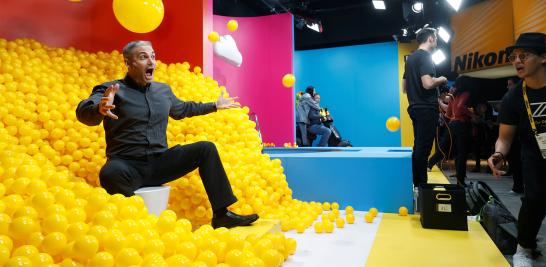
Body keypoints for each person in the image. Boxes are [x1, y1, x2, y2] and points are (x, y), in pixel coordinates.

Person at [76, 40, 258, 229]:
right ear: (128, 63)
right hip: (127, 166)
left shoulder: (163, 91)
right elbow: (84, 112)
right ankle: (138, 225)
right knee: (109, 173)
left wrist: (213, 106)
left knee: (206, 149)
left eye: (153, 56)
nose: (151, 61)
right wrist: (99, 108)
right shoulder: (111, 90)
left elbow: (183, 109)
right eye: (143, 57)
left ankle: (222, 215)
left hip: (160, 163)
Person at [488, 32, 545, 267]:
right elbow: (505, 137)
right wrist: (498, 154)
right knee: (534, 201)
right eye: (514, 57)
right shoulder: (513, 97)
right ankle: (525, 247)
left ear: (543, 57)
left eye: (524, 55)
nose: (517, 61)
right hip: (534, 156)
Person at [403, 27, 448, 186]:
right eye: (435, 38)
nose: (436, 41)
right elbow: (428, 83)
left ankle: (417, 183)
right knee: (423, 149)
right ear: (430, 38)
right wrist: (441, 79)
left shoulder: (410, 59)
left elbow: (404, 87)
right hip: (426, 109)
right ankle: (421, 186)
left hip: (414, 107)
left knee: (419, 147)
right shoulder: (426, 57)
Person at [446, 81, 472, 186]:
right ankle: (460, 181)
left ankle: (459, 179)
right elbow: (461, 106)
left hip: (453, 124)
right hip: (461, 124)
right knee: (462, 153)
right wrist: (472, 115)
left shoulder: (453, 96)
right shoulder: (466, 93)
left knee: (457, 153)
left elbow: (448, 114)